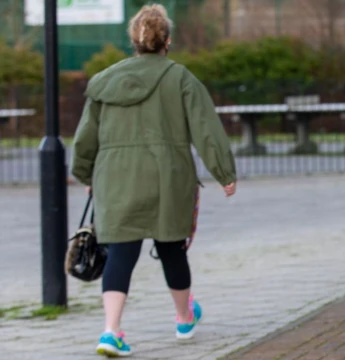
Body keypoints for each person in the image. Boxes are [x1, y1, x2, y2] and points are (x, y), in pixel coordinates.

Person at [71, 3, 237, 358]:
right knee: (170, 248)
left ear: (133, 40)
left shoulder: (103, 82)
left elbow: (86, 136)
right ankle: (182, 319)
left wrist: (86, 174)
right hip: (167, 176)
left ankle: (110, 331)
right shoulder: (181, 78)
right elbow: (206, 129)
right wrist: (224, 173)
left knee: (120, 253)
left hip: (116, 178)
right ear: (168, 41)